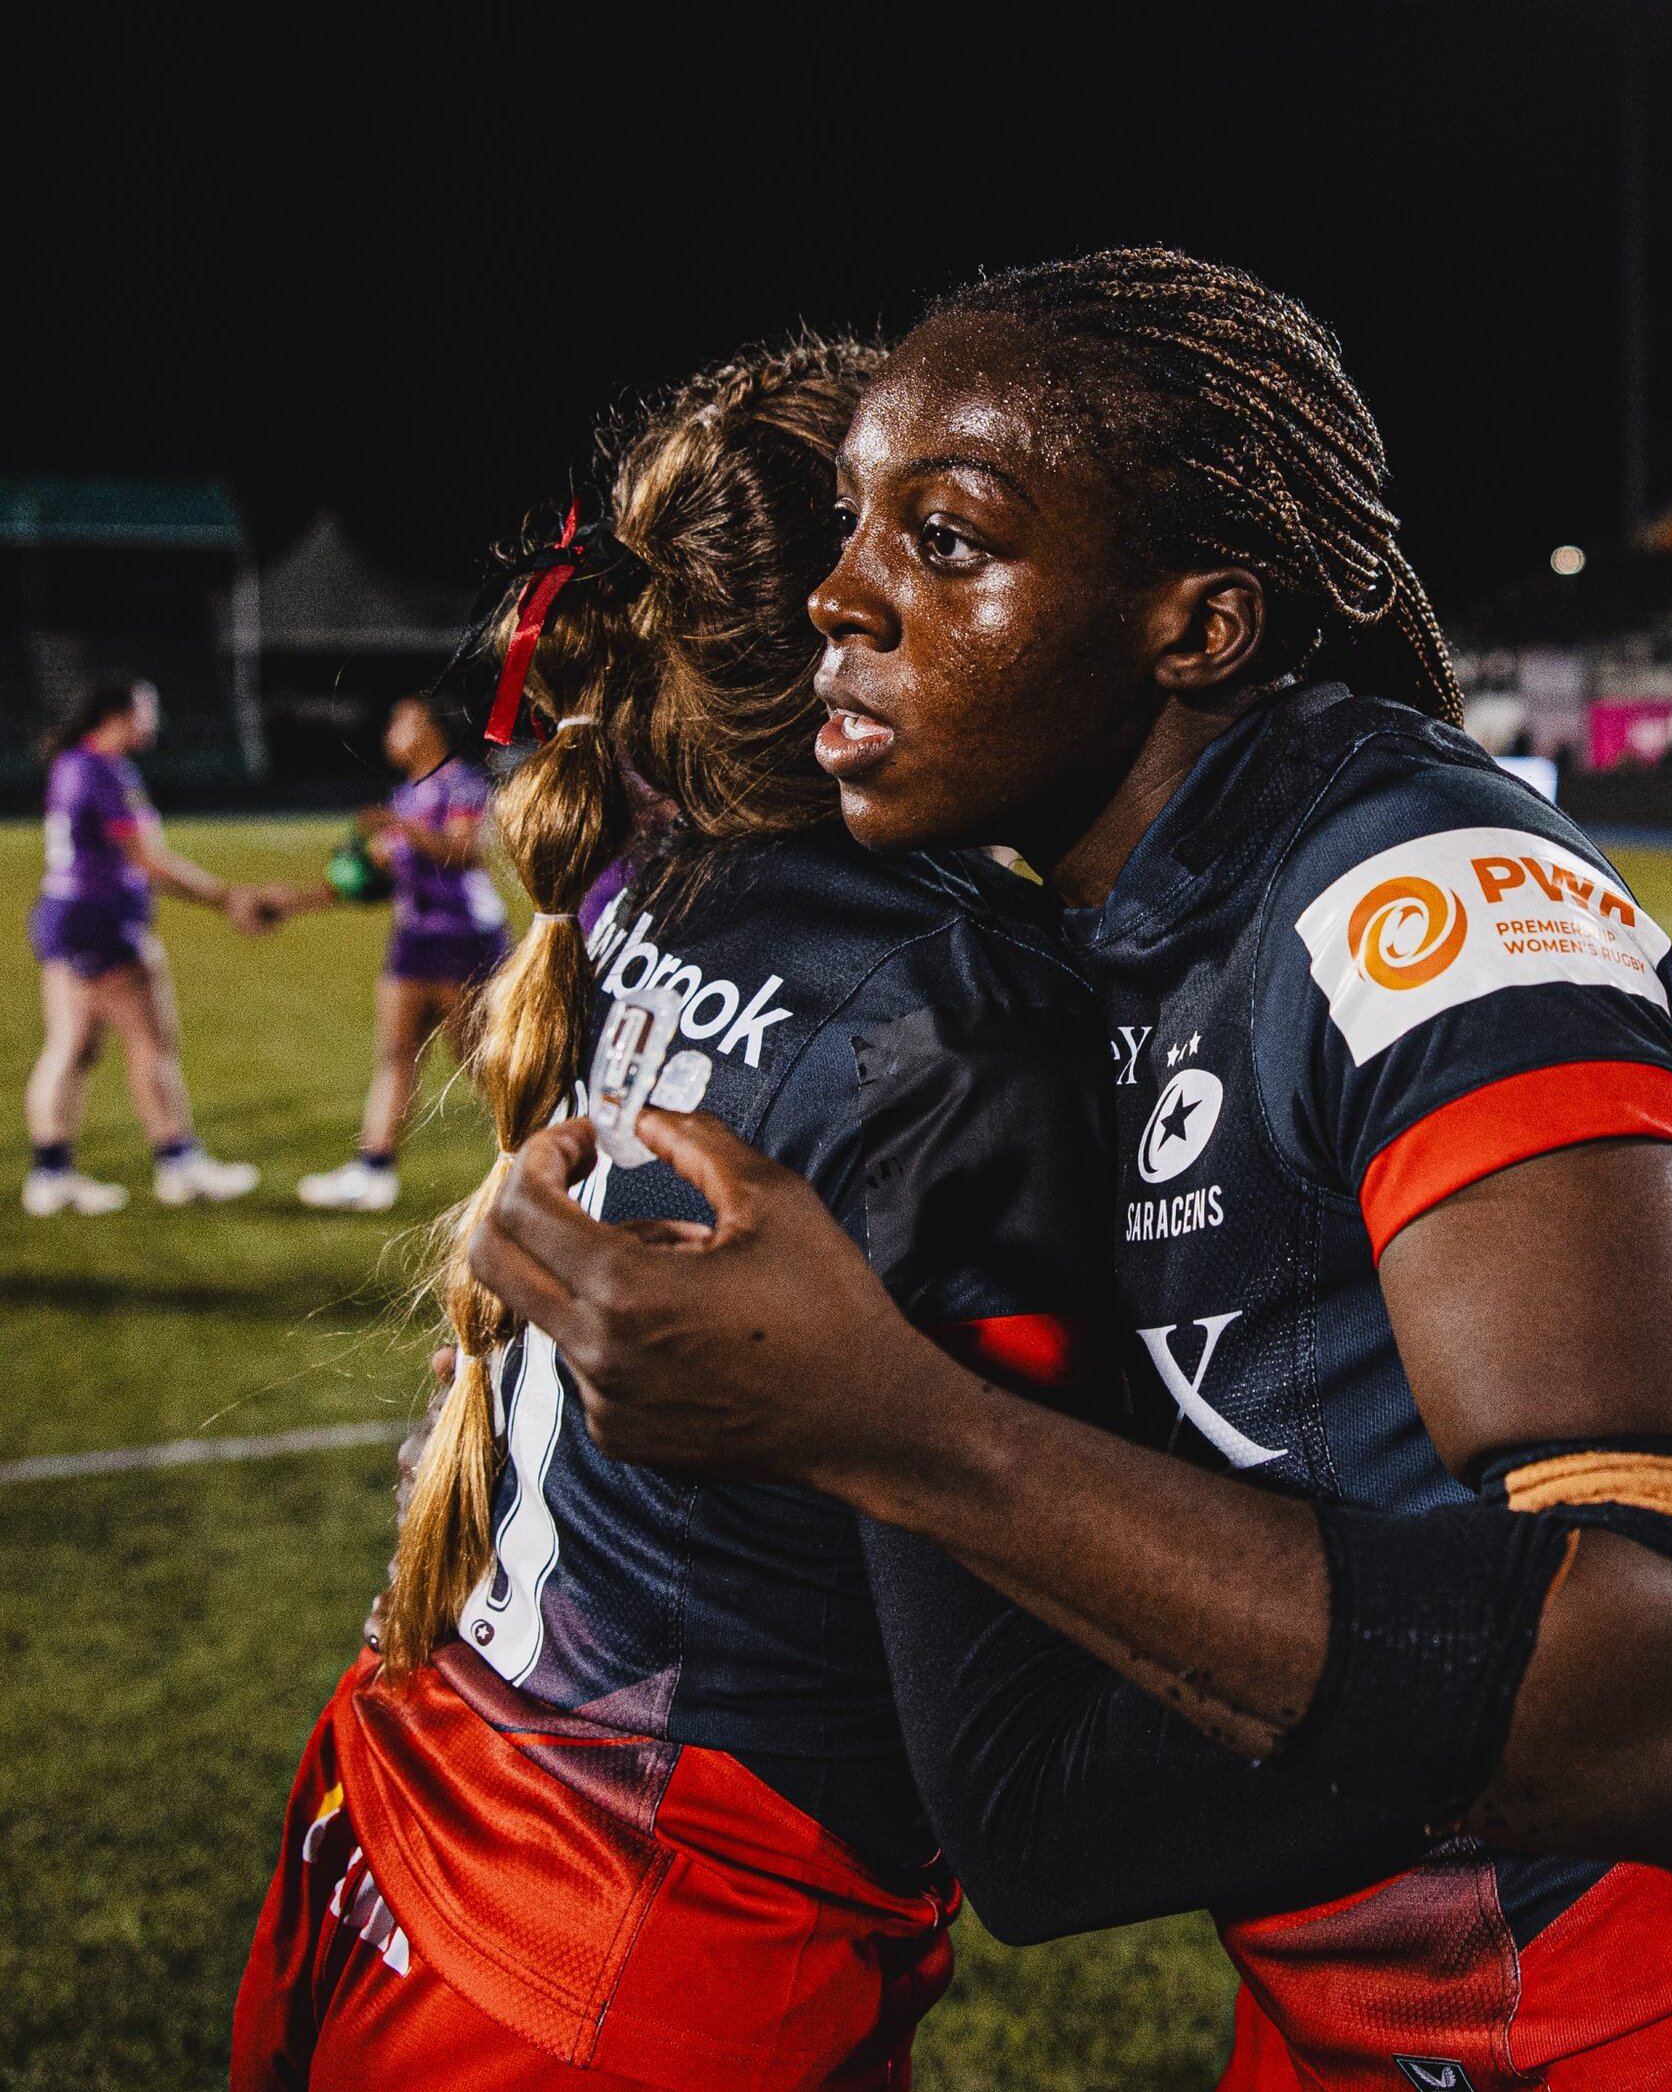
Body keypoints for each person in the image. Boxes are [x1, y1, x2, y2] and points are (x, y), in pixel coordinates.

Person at [472, 252, 1672, 2091]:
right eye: (851, 523)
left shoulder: (1424, 898)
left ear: (1199, 627)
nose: (838, 595)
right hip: (1346, 2016)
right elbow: (1040, 1803)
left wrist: (897, 1429)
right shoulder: (1075, 942)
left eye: (946, 540)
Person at [233, 341, 1140, 2091]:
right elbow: (1025, 1777)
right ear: (853, 618)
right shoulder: (947, 1004)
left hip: (409, 1806)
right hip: (646, 1956)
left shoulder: (669, 877)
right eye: (965, 548)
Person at [24, 677, 267, 1214]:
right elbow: (149, 860)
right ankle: (179, 1165)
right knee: (151, 1041)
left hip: (66, 915)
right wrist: (226, 898)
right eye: (146, 710)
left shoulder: (72, 762)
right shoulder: (105, 770)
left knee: (71, 1046)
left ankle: (51, 1174)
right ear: (117, 714)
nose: (154, 721)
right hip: (103, 921)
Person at [275, 695, 511, 1212]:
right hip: (413, 938)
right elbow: (378, 881)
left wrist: (400, 828)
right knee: (397, 1054)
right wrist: (289, 904)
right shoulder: (405, 795)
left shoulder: (462, 785)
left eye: (402, 720)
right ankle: (373, 1172)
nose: (391, 731)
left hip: (463, 938)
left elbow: (466, 851)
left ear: (432, 728)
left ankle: (544, 1166)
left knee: (484, 1066)